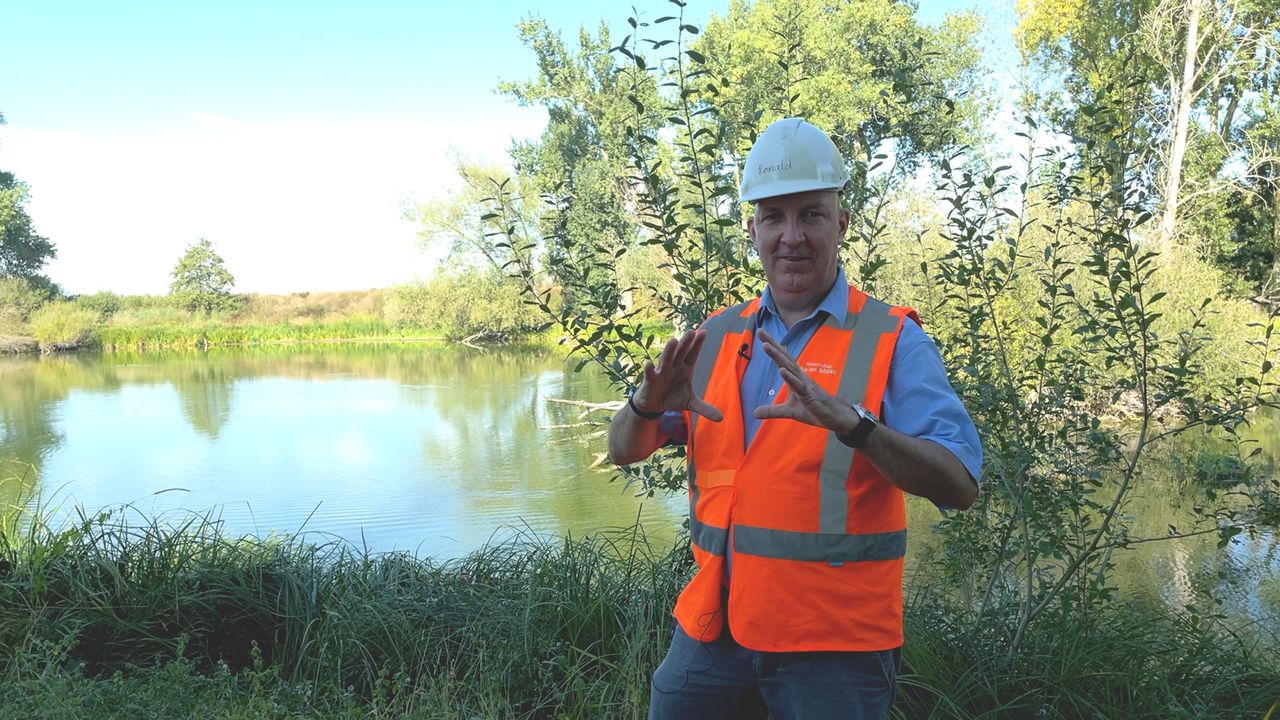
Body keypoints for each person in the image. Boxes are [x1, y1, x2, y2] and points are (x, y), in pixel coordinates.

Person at [607, 117, 982, 720]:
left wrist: (857, 428)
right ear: (752, 228)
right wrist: (646, 404)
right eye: (775, 218)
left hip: (834, 650)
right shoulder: (715, 337)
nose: (792, 237)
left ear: (842, 223)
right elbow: (622, 449)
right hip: (713, 630)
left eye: (811, 214)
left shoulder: (892, 339)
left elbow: (959, 485)